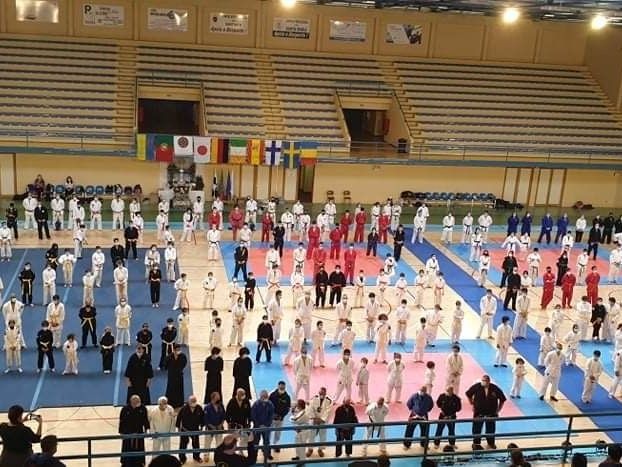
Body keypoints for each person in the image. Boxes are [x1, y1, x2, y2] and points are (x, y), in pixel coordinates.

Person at [465, 375, 506, 449]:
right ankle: (476, 443)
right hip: (478, 412)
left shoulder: (494, 388)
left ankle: (491, 443)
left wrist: (498, 409)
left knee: (491, 429)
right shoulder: (477, 386)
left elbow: (502, 399)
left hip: (491, 413)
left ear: (489, 381)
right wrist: (472, 403)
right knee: (476, 429)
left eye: (485, 381)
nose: (483, 382)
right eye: (482, 380)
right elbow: (468, 394)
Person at [119, 395, 149, 467]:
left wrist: (146, 429)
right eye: (136, 401)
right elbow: (121, 421)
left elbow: (145, 420)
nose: (138, 402)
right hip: (127, 432)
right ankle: (125, 462)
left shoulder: (142, 408)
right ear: (131, 401)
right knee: (126, 447)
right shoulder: (125, 409)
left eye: (138, 401)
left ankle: (140, 462)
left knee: (140, 448)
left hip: (139, 432)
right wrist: (121, 432)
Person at [176, 395, 204, 464]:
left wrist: (202, 426)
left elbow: (202, 417)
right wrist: (178, 428)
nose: (193, 402)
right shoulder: (183, 409)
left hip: (195, 429)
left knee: (196, 444)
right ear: (188, 401)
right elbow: (179, 418)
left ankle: (196, 457)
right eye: (192, 401)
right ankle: (182, 458)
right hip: (185, 429)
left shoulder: (199, 408)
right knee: (183, 445)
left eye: (194, 401)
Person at [433, 386, 462, 450]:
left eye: (449, 391)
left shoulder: (456, 398)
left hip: (452, 416)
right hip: (442, 416)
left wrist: (453, 410)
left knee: (452, 431)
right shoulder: (442, 396)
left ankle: (452, 444)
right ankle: (436, 443)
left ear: (452, 391)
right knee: (439, 430)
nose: (447, 392)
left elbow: (459, 408)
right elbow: (438, 404)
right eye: (446, 391)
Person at [306, 387, 332, 458]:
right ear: (318, 392)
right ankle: (310, 449)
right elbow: (310, 408)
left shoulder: (329, 401)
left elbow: (328, 411)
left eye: (323, 393)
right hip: (314, 420)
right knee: (311, 435)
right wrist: (314, 418)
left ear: (325, 393)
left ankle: (320, 450)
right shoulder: (314, 398)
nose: (321, 394)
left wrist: (321, 419)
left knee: (322, 436)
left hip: (322, 421)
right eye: (320, 393)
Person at [250, 390, 275, 459]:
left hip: (266, 427)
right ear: (260, 397)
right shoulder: (256, 404)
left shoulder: (270, 404)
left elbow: (271, 416)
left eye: (265, 397)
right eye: (263, 397)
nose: (264, 398)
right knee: (256, 441)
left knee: (267, 441)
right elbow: (253, 416)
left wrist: (266, 424)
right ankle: (254, 455)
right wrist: (259, 425)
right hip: (257, 427)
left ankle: (267, 454)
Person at [203, 391, 226, 463]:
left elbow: (224, 416)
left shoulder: (221, 405)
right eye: (217, 398)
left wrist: (221, 424)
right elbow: (206, 419)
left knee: (219, 443)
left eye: (219, 398)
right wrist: (212, 427)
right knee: (207, 443)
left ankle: (219, 455)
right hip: (210, 429)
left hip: (219, 428)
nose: (219, 399)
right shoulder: (207, 407)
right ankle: (206, 455)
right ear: (213, 398)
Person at [268, 381, 291, 452]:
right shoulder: (272, 395)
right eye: (280, 386)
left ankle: (276, 445)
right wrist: (272, 414)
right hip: (271, 418)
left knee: (278, 432)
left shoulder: (287, 397)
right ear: (278, 386)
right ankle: (267, 445)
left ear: (285, 387)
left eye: (283, 386)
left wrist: (282, 416)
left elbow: (287, 408)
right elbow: (268, 405)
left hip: (280, 419)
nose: (281, 387)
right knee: (268, 432)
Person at [165, 344, 187, 409]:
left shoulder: (183, 356)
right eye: (177, 350)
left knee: (179, 389)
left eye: (179, 349)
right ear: (174, 350)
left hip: (179, 375)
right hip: (171, 376)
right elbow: (165, 365)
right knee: (171, 389)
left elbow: (184, 364)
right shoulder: (169, 357)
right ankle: (170, 402)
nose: (178, 351)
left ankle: (179, 403)